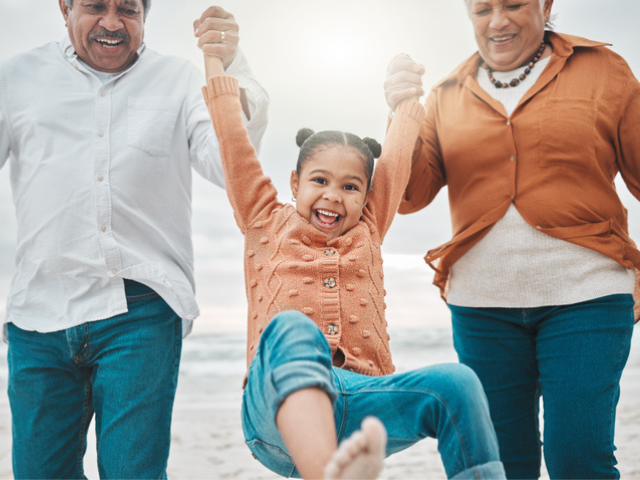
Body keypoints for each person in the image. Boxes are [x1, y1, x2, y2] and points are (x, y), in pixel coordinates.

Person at [197, 50, 506, 479]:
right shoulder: (263, 219)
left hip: (363, 404)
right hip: (277, 410)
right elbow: (232, 140)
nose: (333, 195)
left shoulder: (369, 226)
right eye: (319, 180)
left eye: (350, 186)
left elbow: (397, 157)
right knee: (291, 328)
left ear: (365, 197)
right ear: (295, 183)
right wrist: (216, 59)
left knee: (458, 384)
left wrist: (405, 101)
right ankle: (327, 474)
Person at [0, 1, 268, 478]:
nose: (111, 22)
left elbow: (232, 165)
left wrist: (229, 65)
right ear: (64, 7)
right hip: (39, 314)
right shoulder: (17, 78)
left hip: (140, 311)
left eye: (127, 9)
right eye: (95, 6)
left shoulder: (181, 79)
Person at [384, 0, 640, 478]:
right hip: (482, 307)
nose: (497, 20)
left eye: (513, 4)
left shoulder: (605, 70)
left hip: (588, 296)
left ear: (545, 5)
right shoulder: (445, 93)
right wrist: (401, 114)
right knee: (503, 464)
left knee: (578, 459)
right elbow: (410, 196)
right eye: (482, 9)